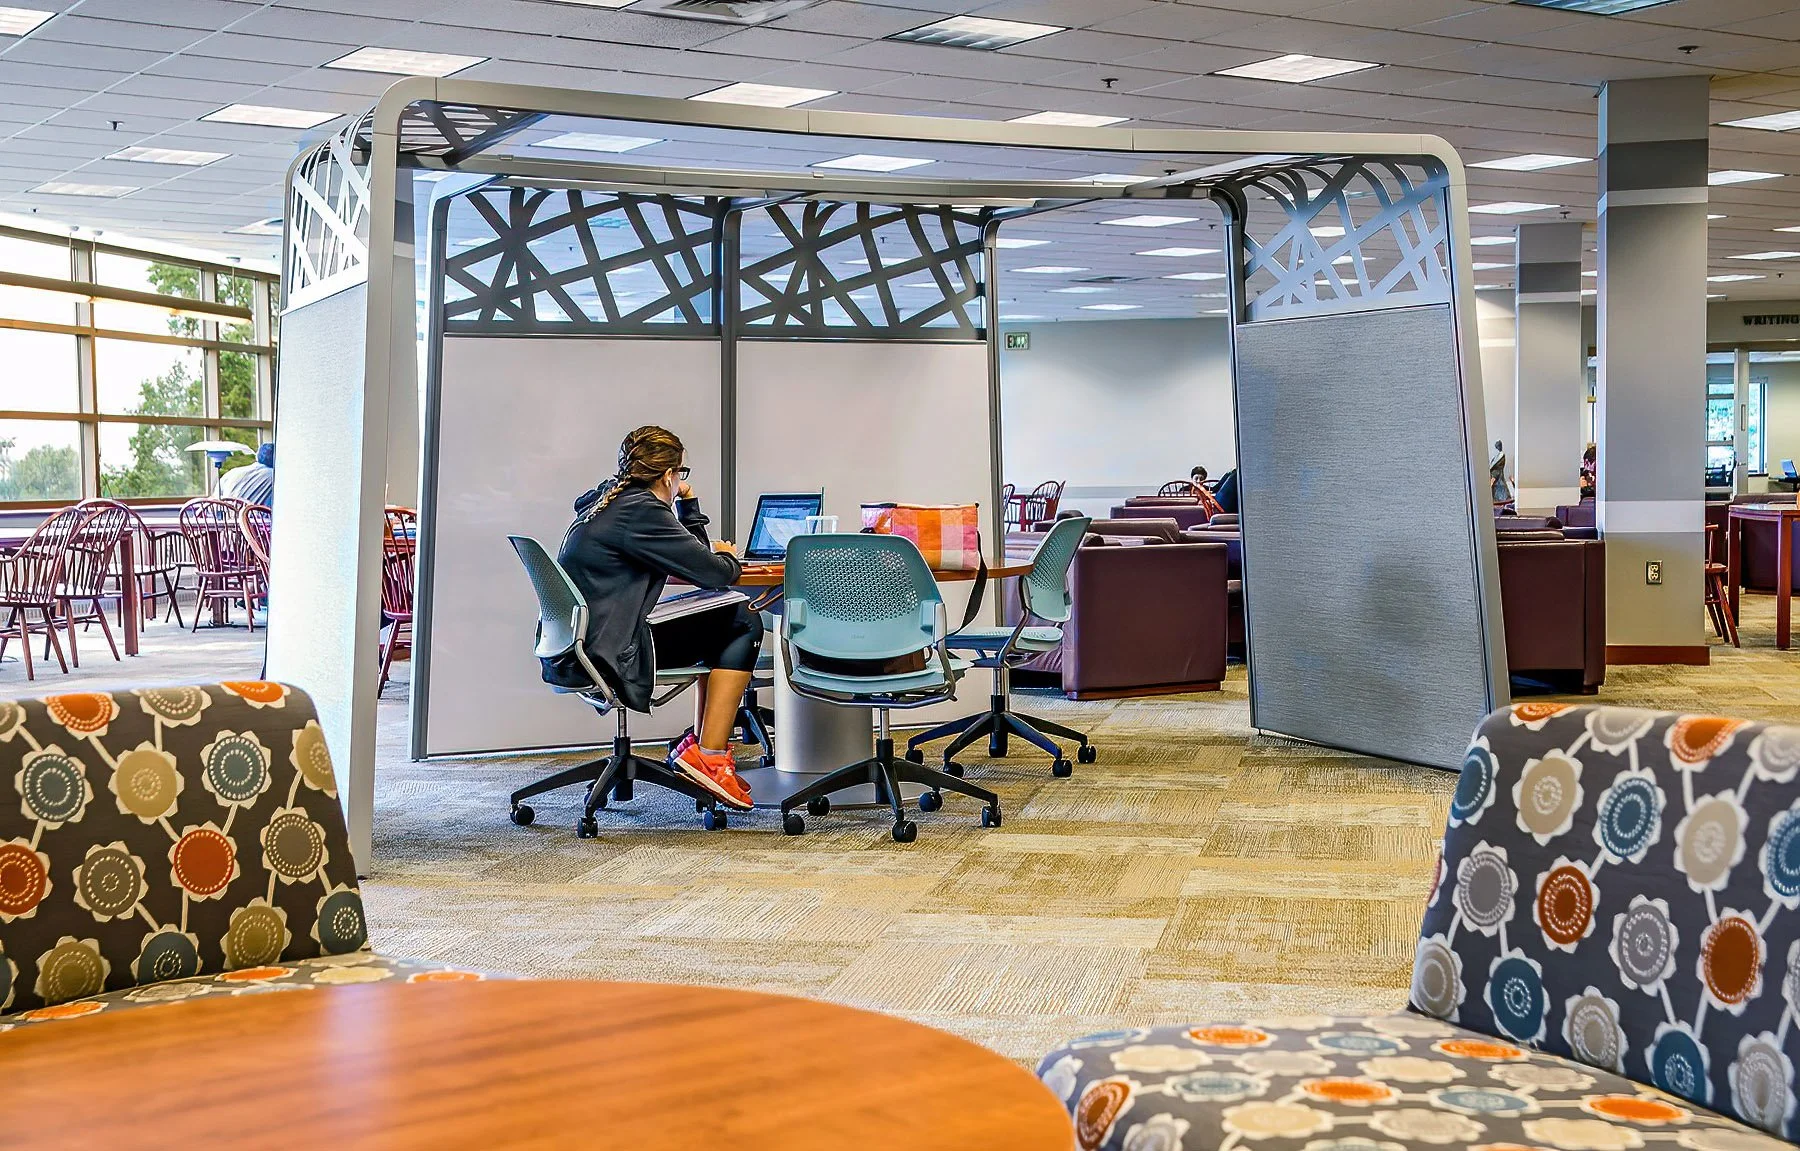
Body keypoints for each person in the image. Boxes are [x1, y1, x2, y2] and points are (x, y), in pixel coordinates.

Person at [548, 426, 761, 811]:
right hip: (611, 650)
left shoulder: (608, 501)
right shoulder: (642, 512)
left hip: (583, 643)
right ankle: (710, 756)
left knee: (716, 619)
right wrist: (728, 555)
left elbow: (691, 558)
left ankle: (701, 749)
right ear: (669, 475)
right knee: (743, 619)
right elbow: (714, 573)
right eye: (681, 474)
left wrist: (687, 507)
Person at [218, 441, 274, 506]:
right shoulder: (275, 476)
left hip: (227, 514)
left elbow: (215, 497)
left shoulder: (233, 472)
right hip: (253, 515)